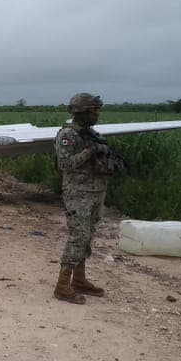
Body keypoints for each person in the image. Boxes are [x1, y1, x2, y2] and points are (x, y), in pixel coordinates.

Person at [53, 92, 111, 304]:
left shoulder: (90, 134)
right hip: (78, 194)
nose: (96, 114)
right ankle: (62, 285)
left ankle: (79, 280)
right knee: (78, 237)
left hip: (96, 192)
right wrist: (89, 152)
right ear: (82, 112)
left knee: (87, 238)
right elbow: (65, 164)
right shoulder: (68, 135)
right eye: (93, 110)